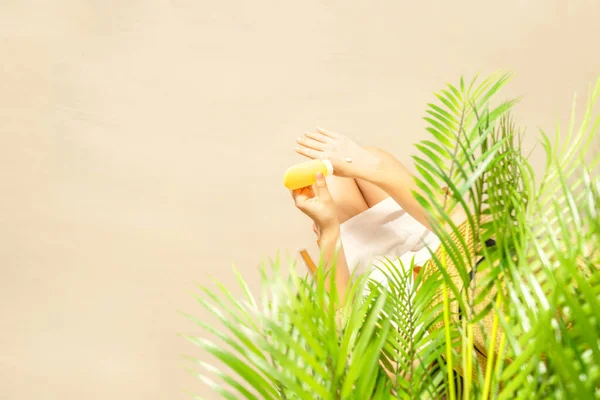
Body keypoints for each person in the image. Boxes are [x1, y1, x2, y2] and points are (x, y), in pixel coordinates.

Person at [290, 127, 455, 303]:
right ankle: (371, 164)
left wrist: (329, 229)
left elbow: (341, 318)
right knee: (368, 156)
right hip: (435, 246)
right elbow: (466, 234)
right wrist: (374, 166)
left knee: (334, 180)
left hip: (376, 278)